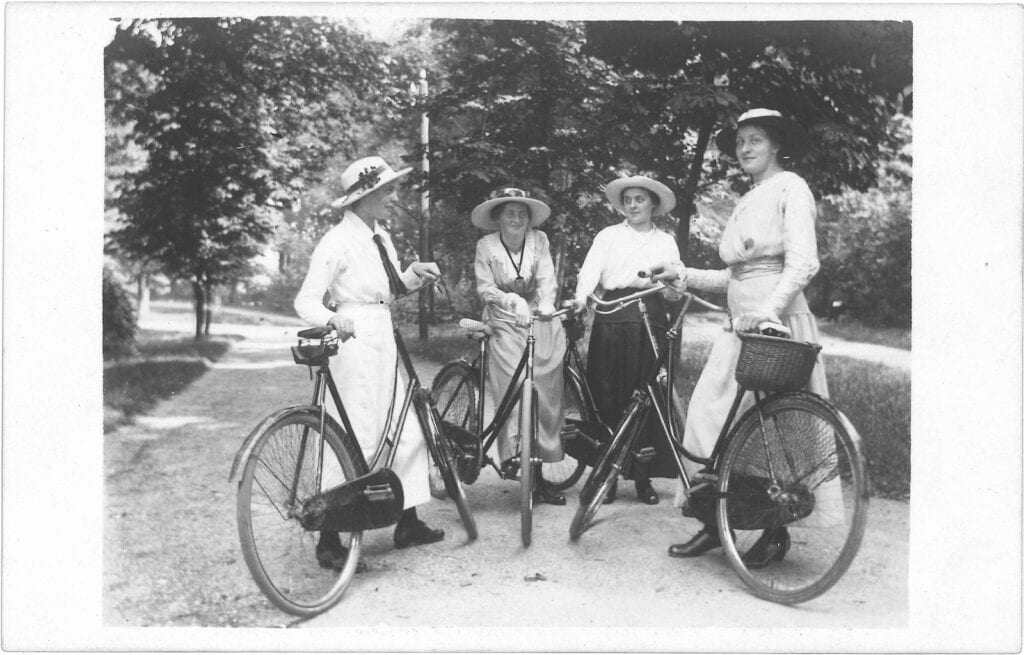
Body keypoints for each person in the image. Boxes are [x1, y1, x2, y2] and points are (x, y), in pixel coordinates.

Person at [663, 108, 830, 567]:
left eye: (755, 139)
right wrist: (682, 274)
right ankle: (715, 523)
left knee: (768, 436)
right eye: (740, 142)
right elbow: (732, 277)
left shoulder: (791, 187)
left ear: (777, 144)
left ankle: (773, 532)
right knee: (706, 423)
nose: (746, 148)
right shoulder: (750, 196)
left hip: (776, 329)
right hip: (740, 331)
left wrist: (769, 311)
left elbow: (803, 262)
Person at [294, 155, 446, 569]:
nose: (391, 197)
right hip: (353, 338)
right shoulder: (336, 241)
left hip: (382, 334)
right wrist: (332, 318)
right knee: (354, 434)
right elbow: (305, 300)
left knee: (404, 428)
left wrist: (414, 273)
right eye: (386, 191)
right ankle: (329, 538)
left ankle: (408, 519)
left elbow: (390, 291)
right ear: (364, 196)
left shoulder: (381, 236)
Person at [568, 175, 684, 505]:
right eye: (628, 199)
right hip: (613, 317)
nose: (633, 205)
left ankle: (643, 478)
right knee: (609, 395)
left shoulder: (666, 241)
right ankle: (607, 474)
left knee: (647, 397)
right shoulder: (608, 236)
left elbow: (675, 288)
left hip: (650, 317)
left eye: (640, 199)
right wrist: (581, 300)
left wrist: (675, 290)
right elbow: (590, 273)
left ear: (652, 205)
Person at [472, 187, 568, 506]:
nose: (516, 218)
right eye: (510, 213)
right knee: (513, 384)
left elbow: (546, 280)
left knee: (545, 382)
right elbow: (485, 288)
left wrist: (545, 303)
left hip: (537, 316)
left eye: (522, 213)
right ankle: (515, 455)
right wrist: (511, 299)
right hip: (502, 317)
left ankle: (538, 472)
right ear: (498, 217)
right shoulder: (485, 246)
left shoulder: (539, 241)